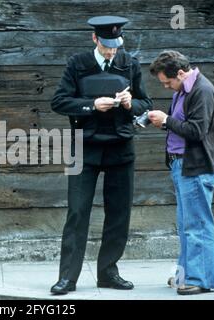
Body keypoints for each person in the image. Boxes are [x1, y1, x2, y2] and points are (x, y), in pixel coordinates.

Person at [50, 16, 152, 295]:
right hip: (83, 148)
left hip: (121, 147)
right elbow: (59, 102)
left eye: (115, 46)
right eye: (107, 46)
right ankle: (67, 278)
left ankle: (108, 273)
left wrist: (132, 104)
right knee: (77, 212)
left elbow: (146, 103)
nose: (111, 51)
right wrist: (92, 105)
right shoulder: (77, 64)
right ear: (95, 39)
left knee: (119, 214)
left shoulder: (130, 63)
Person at [148, 50, 214, 295]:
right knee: (186, 225)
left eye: (168, 82)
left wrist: (167, 120)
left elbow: (197, 131)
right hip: (182, 165)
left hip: (195, 166)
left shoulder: (201, 90)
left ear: (180, 73)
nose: (167, 86)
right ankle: (187, 275)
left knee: (197, 225)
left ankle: (200, 280)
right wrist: (163, 121)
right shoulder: (184, 89)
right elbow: (183, 125)